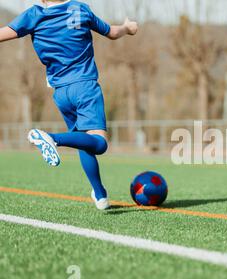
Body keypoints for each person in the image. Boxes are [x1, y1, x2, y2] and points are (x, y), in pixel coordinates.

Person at [0, 0, 138, 210]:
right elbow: (111, 32)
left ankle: (100, 194)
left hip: (61, 94)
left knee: (83, 141)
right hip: (85, 88)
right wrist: (127, 28)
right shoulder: (80, 9)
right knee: (99, 144)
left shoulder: (33, 15)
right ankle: (52, 138)